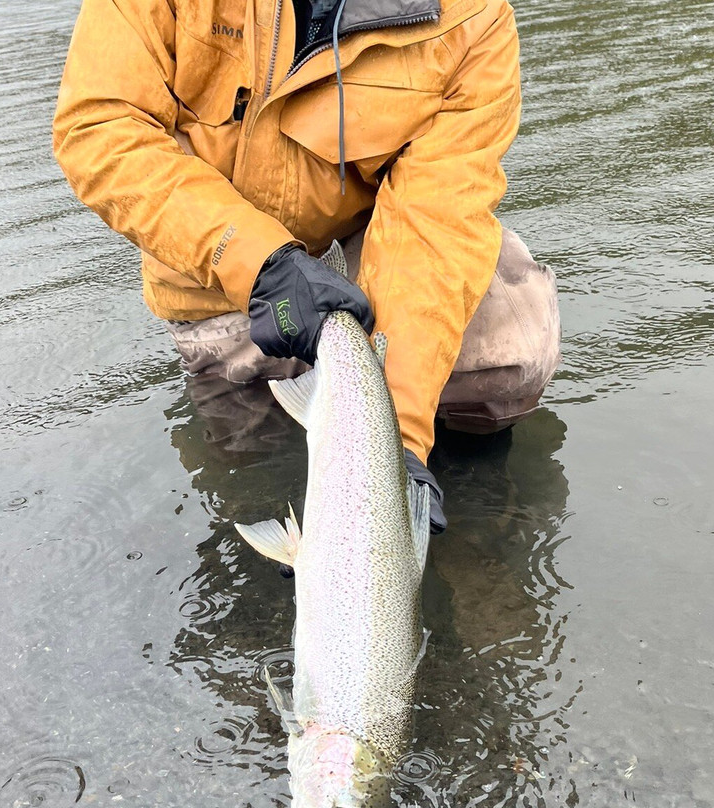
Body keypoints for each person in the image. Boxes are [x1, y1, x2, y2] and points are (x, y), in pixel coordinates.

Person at [52, 0, 561, 535]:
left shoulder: (473, 18)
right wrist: (261, 264)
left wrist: (398, 442)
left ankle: (453, 465)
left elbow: (436, 220)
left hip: (369, 251)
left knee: (507, 353)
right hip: (221, 275)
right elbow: (99, 127)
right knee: (255, 480)